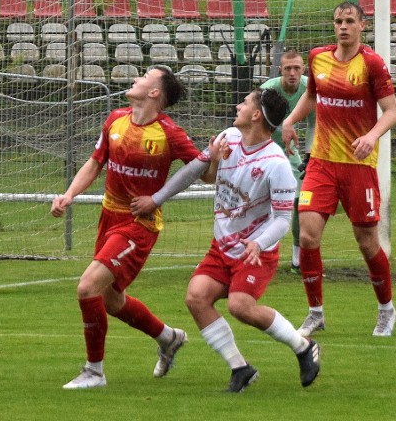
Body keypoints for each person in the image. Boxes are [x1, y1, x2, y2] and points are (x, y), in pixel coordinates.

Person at [131, 88, 321, 393]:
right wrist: (156, 199)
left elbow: (284, 220)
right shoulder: (229, 137)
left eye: (244, 103)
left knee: (240, 306)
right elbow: (195, 170)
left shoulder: (277, 164)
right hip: (222, 246)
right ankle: (240, 368)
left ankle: (303, 346)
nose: (238, 105)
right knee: (196, 297)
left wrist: (258, 243)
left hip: (255, 252)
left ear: (256, 115)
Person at [51, 66, 205, 389]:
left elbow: (203, 172)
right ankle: (169, 338)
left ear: (154, 93)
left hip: (139, 225)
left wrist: (161, 195)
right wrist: (68, 195)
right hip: (109, 217)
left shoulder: (169, 133)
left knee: (86, 287)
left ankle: (94, 372)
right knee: (110, 301)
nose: (137, 76)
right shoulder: (115, 119)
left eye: (146, 74)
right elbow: (95, 163)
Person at [281, 1, 396, 338]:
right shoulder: (318, 57)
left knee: (366, 242)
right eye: (338, 21)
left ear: (363, 25)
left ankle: (386, 309)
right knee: (307, 234)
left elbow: (392, 111)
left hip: (358, 165)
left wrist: (371, 135)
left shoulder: (372, 64)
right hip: (321, 161)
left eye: (350, 21)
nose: (343, 26)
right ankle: (315, 312)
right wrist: (290, 121)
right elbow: (312, 97)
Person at [260, 49, 316, 274]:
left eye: (297, 68)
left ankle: (297, 257)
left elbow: (315, 122)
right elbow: (256, 125)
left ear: (304, 69)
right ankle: (254, 251)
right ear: (280, 70)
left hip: (289, 149)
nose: (293, 73)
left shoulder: (309, 88)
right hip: (265, 147)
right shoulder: (267, 90)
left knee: (299, 201)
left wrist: (310, 154)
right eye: (288, 68)